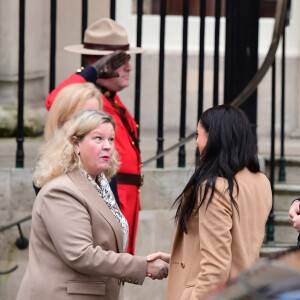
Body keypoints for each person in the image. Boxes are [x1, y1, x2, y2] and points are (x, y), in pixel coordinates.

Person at [17, 109, 168, 300]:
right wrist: (142, 266)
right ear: (76, 143)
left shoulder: (100, 184)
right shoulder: (61, 191)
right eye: (98, 139)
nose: (107, 146)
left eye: (111, 139)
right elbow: (81, 254)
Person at [147, 105, 272, 299]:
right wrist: (176, 260)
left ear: (215, 138)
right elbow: (236, 252)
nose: (196, 143)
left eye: (199, 134)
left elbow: (216, 267)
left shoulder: (215, 188)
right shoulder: (260, 181)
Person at [45, 18, 146, 255]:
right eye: (121, 61)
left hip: (126, 200)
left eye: (127, 59)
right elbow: (54, 100)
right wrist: (92, 71)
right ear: (99, 63)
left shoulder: (111, 97)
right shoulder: (87, 101)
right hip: (111, 195)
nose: (129, 67)